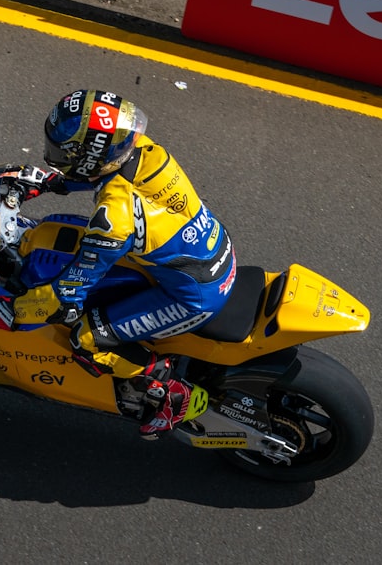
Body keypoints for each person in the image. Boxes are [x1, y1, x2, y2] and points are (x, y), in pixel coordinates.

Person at [28, 89, 238, 440]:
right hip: (216, 253)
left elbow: (73, 287)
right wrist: (50, 182)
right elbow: (105, 174)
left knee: (85, 337)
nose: (56, 155)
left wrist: (24, 304)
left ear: (91, 156)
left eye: (64, 152)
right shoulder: (143, 149)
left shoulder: (115, 215)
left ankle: (172, 391)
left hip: (194, 296)